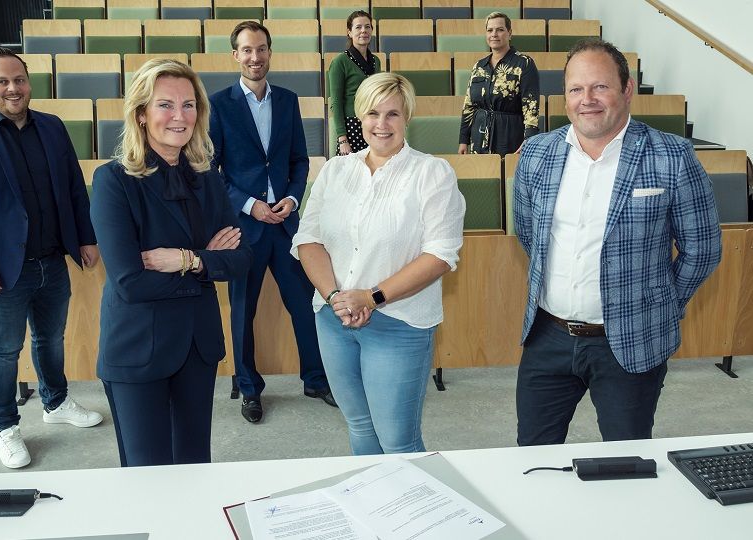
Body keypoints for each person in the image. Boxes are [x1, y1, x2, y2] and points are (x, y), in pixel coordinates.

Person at [513, 39, 722, 446]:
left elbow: (703, 249)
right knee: (530, 454)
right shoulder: (537, 153)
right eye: (576, 89)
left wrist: (659, 304)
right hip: (547, 337)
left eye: (600, 87)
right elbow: (529, 234)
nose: (586, 100)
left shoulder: (671, 155)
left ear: (627, 91)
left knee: (627, 459)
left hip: (630, 341)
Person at [0, 47, 103, 469]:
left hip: (52, 260)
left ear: (29, 83)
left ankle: (56, 403)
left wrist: (85, 238)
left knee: (51, 339)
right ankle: (6, 427)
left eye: (19, 80)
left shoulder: (51, 127)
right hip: (0, 271)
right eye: (2, 81)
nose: (13, 88)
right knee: (4, 350)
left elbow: (73, 189)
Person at [90, 59, 252, 467]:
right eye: (165, 105)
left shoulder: (207, 177)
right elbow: (131, 282)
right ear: (141, 114)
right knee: (148, 472)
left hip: (197, 346)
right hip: (138, 347)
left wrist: (186, 260)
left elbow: (241, 259)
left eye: (189, 105)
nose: (179, 116)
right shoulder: (114, 181)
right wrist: (207, 264)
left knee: (195, 465)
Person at [292, 73, 465, 455]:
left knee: (398, 441)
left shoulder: (432, 174)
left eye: (393, 114)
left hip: (399, 323)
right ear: (359, 117)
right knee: (359, 427)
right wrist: (337, 296)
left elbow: (440, 255)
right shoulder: (335, 171)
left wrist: (370, 297)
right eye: (373, 113)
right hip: (333, 319)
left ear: (407, 119)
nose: (381, 124)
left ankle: (412, 514)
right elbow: (308, 239)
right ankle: (370, 512)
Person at [209, 21, 334, 424]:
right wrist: (249, 205)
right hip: (245, 228)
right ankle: (248, 388)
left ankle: (315, 379)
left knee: (305, 304)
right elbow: (212, 170)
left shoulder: (287, 100)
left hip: (285, 224)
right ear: (235, 55)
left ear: (269, 52)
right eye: (247, 50)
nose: (255, 57)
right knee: (243, 312)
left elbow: (299, 159)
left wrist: (293, 197)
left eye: (261, 49)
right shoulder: (218, 104)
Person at [458, 12, 539, 156]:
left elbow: (531, 104)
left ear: (509, 33)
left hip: (510, 136)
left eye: (500, 29)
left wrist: (529, 139)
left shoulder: (524, 63)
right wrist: (463, 139)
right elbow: (468, 106)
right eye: (490, 30)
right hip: (479, 137)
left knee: (508, 177)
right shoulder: (479, 66)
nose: (494, 34)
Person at [328, 10, 381, 156]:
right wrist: (342, 139)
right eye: (358, 27)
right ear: (349, 32)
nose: (364, 31)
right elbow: (336, 102)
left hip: (373, 123)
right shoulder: (340, 62)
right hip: (351, 126)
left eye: (367, 26)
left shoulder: (376, 61)